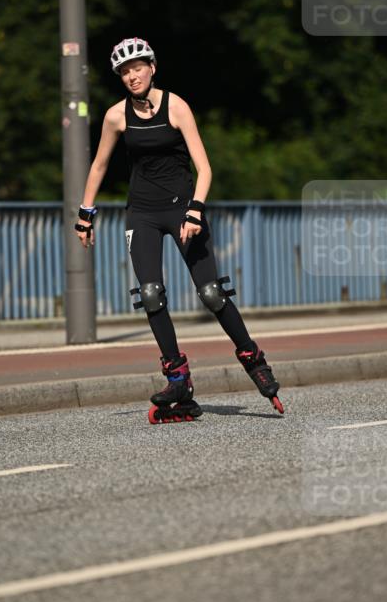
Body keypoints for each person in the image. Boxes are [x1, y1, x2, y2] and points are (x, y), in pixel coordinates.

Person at [75, 36, 283, 422]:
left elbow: (204, 168)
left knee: (211, 292)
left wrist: (195, 211)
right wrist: (85, 214)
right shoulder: (116, 116)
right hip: (141, 213)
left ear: (152, 68)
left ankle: (252, 357)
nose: (132, 75)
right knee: (151, 294)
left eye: (138, 67)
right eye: (124, 71)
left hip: (183, 209)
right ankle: (178, 378)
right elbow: (100, 165)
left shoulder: (177, 107)